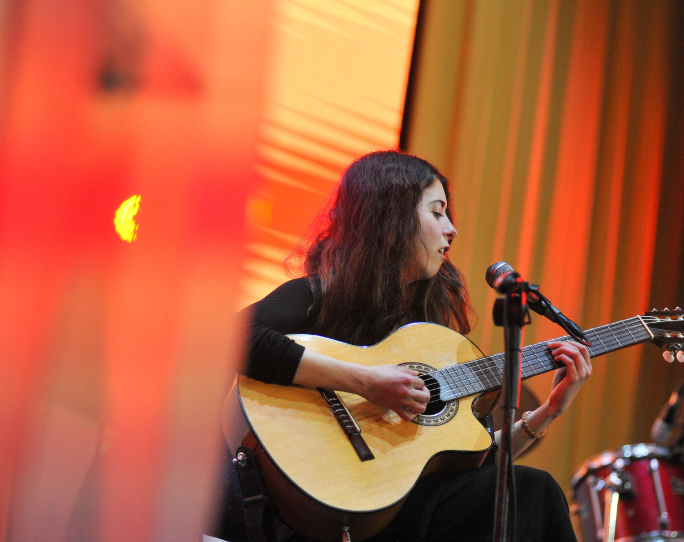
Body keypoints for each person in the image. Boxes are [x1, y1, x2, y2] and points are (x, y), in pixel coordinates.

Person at [216, 151, 592, 542]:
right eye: (437, 211)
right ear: (391, 218)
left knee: (525, 491)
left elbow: (467, 462)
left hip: (396, 510)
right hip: (313, 514)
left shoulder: (425, 336)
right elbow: (234, 338)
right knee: (534, 490)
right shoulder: (318, 295)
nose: (451, 229)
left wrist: (548, 411)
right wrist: (366, 381)